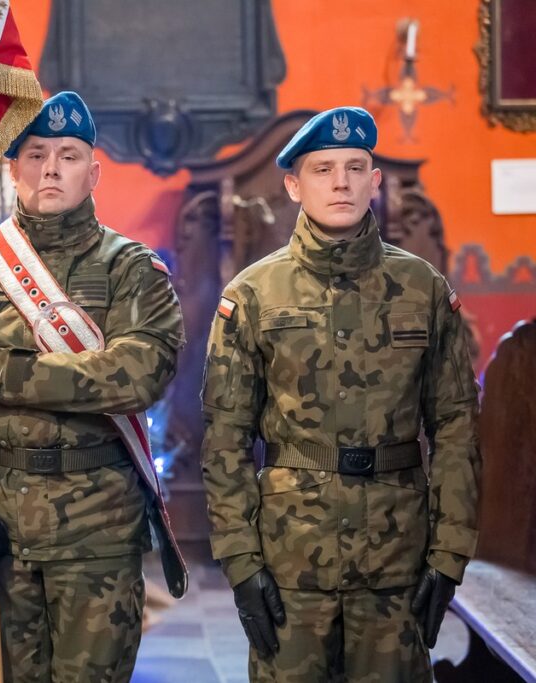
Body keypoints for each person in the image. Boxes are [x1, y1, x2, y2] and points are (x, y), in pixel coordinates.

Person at [0, 91, 186, 682]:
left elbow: (138, 372)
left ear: (93, 172)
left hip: (99, 530)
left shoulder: (131, 269)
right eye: (36, 154)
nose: (50, 168)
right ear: (12, 166)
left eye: (68, 155)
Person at [200, 106, 481, 682]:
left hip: (396, 553)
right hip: (290, 558)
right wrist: (238, 559)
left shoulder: (423, 289)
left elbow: (456, 427)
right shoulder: (252, 294)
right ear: (293, 185)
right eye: (323, 168)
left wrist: (450, 552)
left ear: (376, 181)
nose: (341, 182)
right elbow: (225, 439)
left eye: (356, 167)